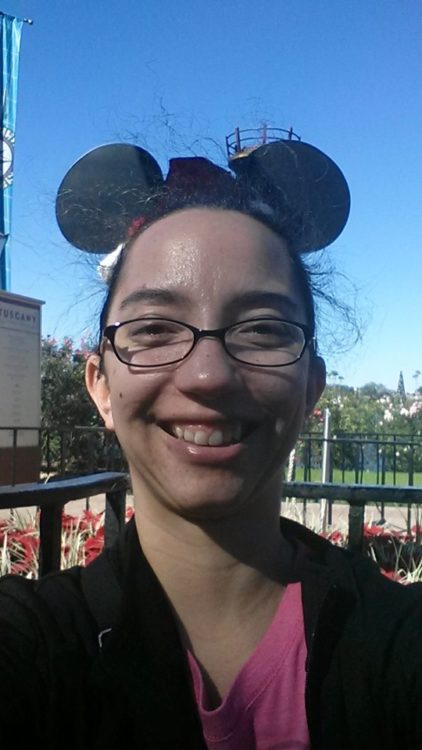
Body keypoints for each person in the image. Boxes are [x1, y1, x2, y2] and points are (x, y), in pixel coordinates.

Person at [0, 134, 420, 750]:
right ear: (101, 386)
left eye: (262, 329)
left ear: (312, 387)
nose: (208, 375)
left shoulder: (394, 648)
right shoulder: (36, 650)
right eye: (154, 329)